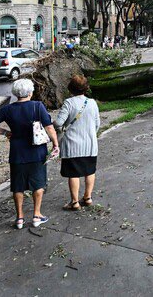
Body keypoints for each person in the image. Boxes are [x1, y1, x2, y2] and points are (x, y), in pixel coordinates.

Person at [0, 79, 60, 229]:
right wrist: (56, 144)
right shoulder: (38, 106)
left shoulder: (8, 110)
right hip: (37, 152)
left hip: (17, 153)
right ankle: (37, 216)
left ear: (15, 93)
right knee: (38, 183)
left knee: (17, 186)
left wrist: (6, 132)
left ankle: (19, 218)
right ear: (30, 93)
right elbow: (49, 127)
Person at [54, 75, 100, 211]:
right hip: (90, 144)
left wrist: (53, 125)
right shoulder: (92, 103)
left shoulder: (69, 103)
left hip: (72, 145)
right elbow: (97, 124)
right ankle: (88, 197)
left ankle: (74, 202)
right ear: (86, 88)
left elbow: (59, 123)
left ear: (71, 88)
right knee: (90, 171)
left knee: (74, 174)